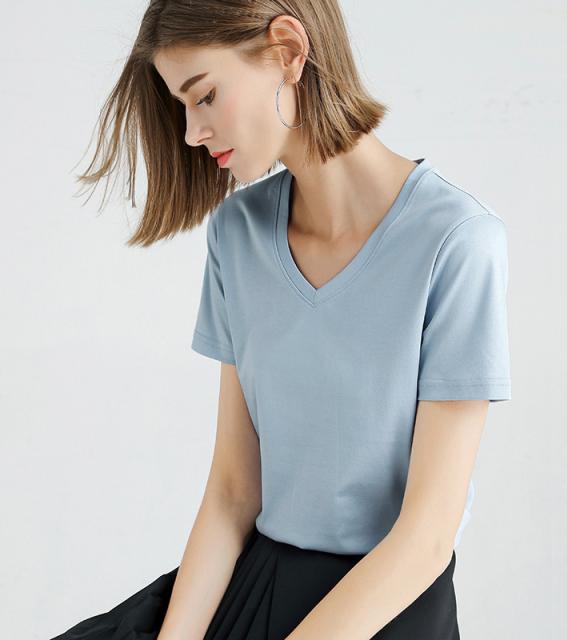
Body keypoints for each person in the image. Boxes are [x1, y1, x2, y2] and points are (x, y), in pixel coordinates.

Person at [52, 1, 512, 638]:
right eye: (182, 106)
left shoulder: (455, 241)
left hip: (386, 609)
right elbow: (233, 492)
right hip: (258, 585)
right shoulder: (237, 234)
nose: (191, 133)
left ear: (288, 51)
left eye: (205, 96)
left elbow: (427, 537)